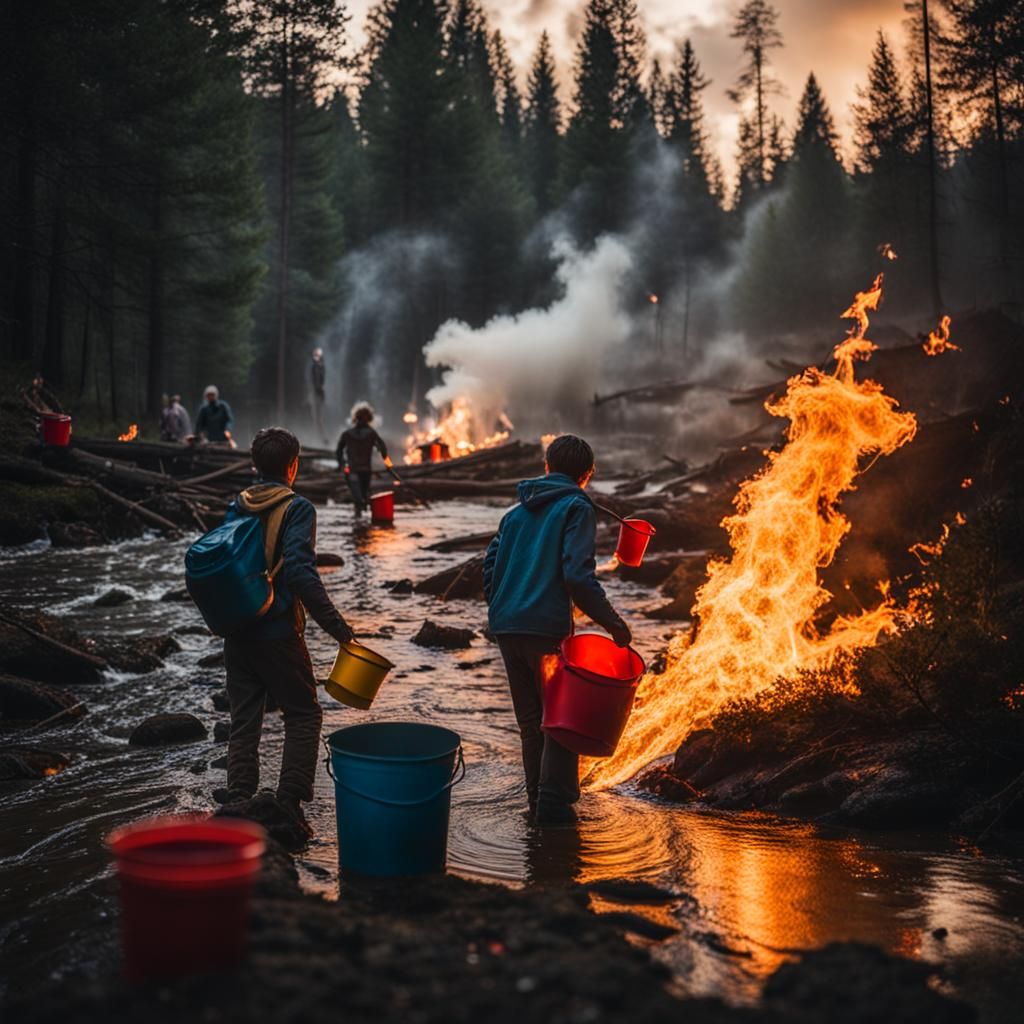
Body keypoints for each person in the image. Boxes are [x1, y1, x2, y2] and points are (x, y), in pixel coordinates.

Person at [483, 435, 632, 826]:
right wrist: (614, 624)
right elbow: (578, 576)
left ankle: (536, 806)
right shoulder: (576, 507)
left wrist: (500, 603)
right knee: (560, 722)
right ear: (586, 475)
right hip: (545, 631)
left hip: (506, 628)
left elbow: (489, 562)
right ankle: (554, 811)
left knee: (531, 724)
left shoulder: (515, 514)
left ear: (547, 466)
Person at [215, 426, 355, 834]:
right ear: (293, 466)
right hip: (276, 633)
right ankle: (289, 804)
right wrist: (338, 628)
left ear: (254, 465)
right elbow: (300, 573)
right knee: (304, 713)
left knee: (244, 719)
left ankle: (239, 802)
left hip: (236, 631)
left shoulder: (236, 504)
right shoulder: (298, 508)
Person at [336, 402, 393, 514]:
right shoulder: (371, 434)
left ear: (355, 417)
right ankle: (362, 524)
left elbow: (338, 451)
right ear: (369, 418)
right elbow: (383, 448)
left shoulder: (347, 434)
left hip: (352, 470)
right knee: (363, 496)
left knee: (358, 499)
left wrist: (341, 465)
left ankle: (359, 522)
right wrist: (387, 462)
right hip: (366, 470)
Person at [310, 348, 327, 444]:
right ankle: (321, 438)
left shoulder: (318, 367)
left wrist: (318, 390)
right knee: (317, 417)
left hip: (318, 393)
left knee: (318, 417)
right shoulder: (318, 367)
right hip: (317, 393)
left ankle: (322, 438)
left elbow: (317, 381)